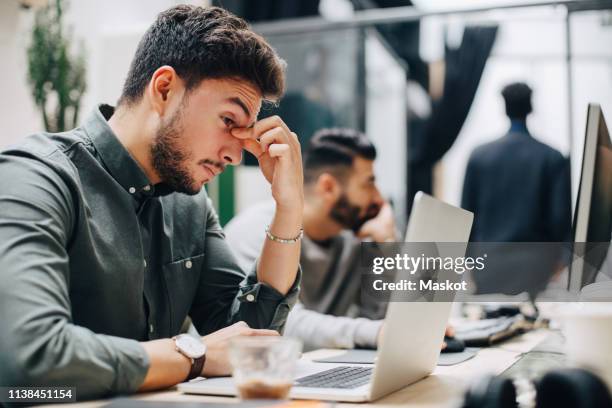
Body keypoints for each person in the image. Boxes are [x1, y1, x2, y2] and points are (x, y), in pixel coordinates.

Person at [0, 5, 304, 399]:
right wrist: (190, 354)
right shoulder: (35, 177)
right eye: (229, 121)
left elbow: (247, 342)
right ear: (164, 89)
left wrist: (289, 209)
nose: (235, 154)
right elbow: (29, 363)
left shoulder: (190, 204)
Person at [226, 128, 398, 350]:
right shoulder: (256, 231)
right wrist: (376, 333)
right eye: (368, 183)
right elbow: (280, 324)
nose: (378, 197)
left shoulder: (359, 237)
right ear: (328, 187)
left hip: (314, 369)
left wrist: (386, 246)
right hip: (237, 375)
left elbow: (382, 318)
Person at [461, 82, 571, 243]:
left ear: (505, 109)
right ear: (530, 107)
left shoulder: (479, 156)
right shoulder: (552, 157)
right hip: (537, 262)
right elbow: (560, 219)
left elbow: (466, 216)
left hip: (487, 261)